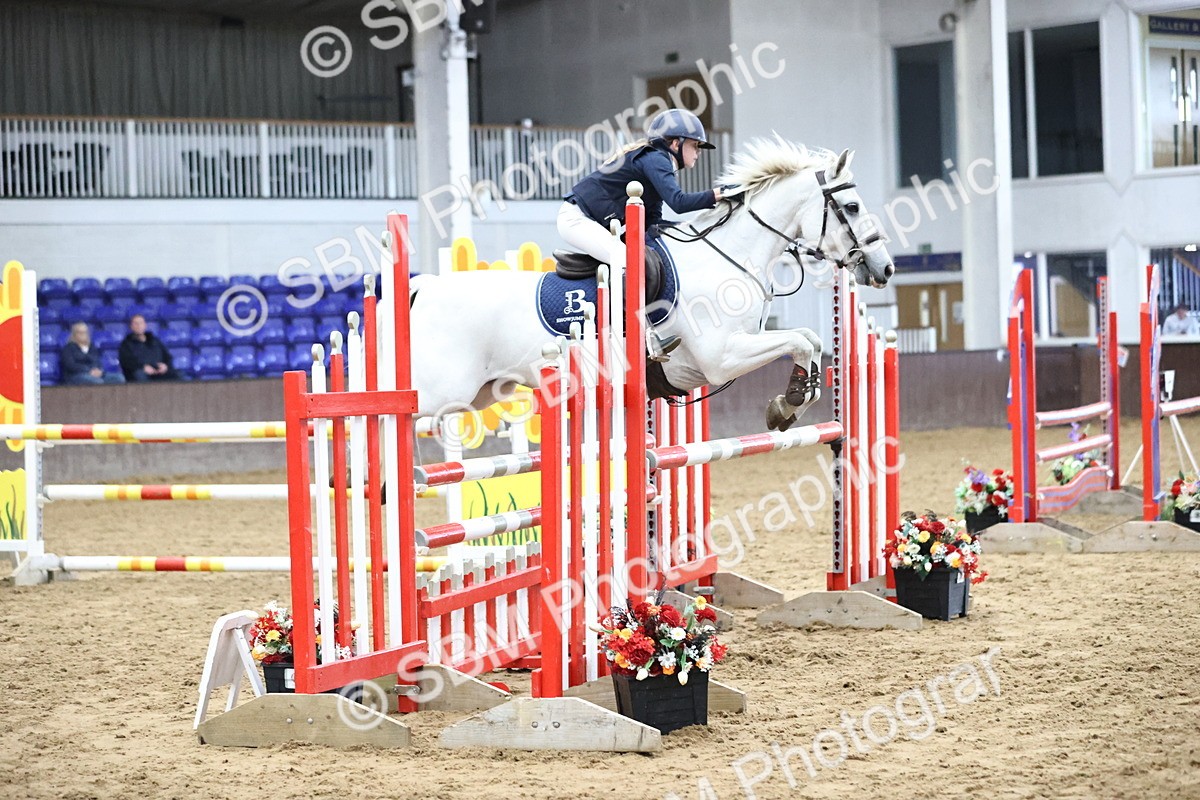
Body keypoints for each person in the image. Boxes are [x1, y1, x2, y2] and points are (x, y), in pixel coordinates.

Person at [559, 108, 723, 360]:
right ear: (675, 143)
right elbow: (679, 202)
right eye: (695, 145)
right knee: (628, 262)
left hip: (588, 219)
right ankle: (643, 336)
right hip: (576, 219)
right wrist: (716, 195)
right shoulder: (657, 159)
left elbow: (653, 224)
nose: (698, 153)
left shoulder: (656, 163)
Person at [118, 313, 181, 382]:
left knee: (179, 374)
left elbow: (167, 357)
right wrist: (143, 367)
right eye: (136, 324)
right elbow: (126, 362)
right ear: (131, 327)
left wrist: (165, 366)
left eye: (141, 323)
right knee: (139, 375)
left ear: (145, 325)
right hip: (142, 372)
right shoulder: (126, 344)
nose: (139, 326)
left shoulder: (155, 341)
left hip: (159, 371)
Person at [60, 322, 125, 385]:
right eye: (80, 332)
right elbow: (70, 365)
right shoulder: (68, 348)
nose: (83, 334)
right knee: (97, 382)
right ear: (74, 334)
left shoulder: (92, 347)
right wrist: (88, 370)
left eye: (85, 332)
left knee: (119, 378)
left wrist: (98, 370)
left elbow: (97, 361)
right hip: (77, 375)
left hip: (95, 373)